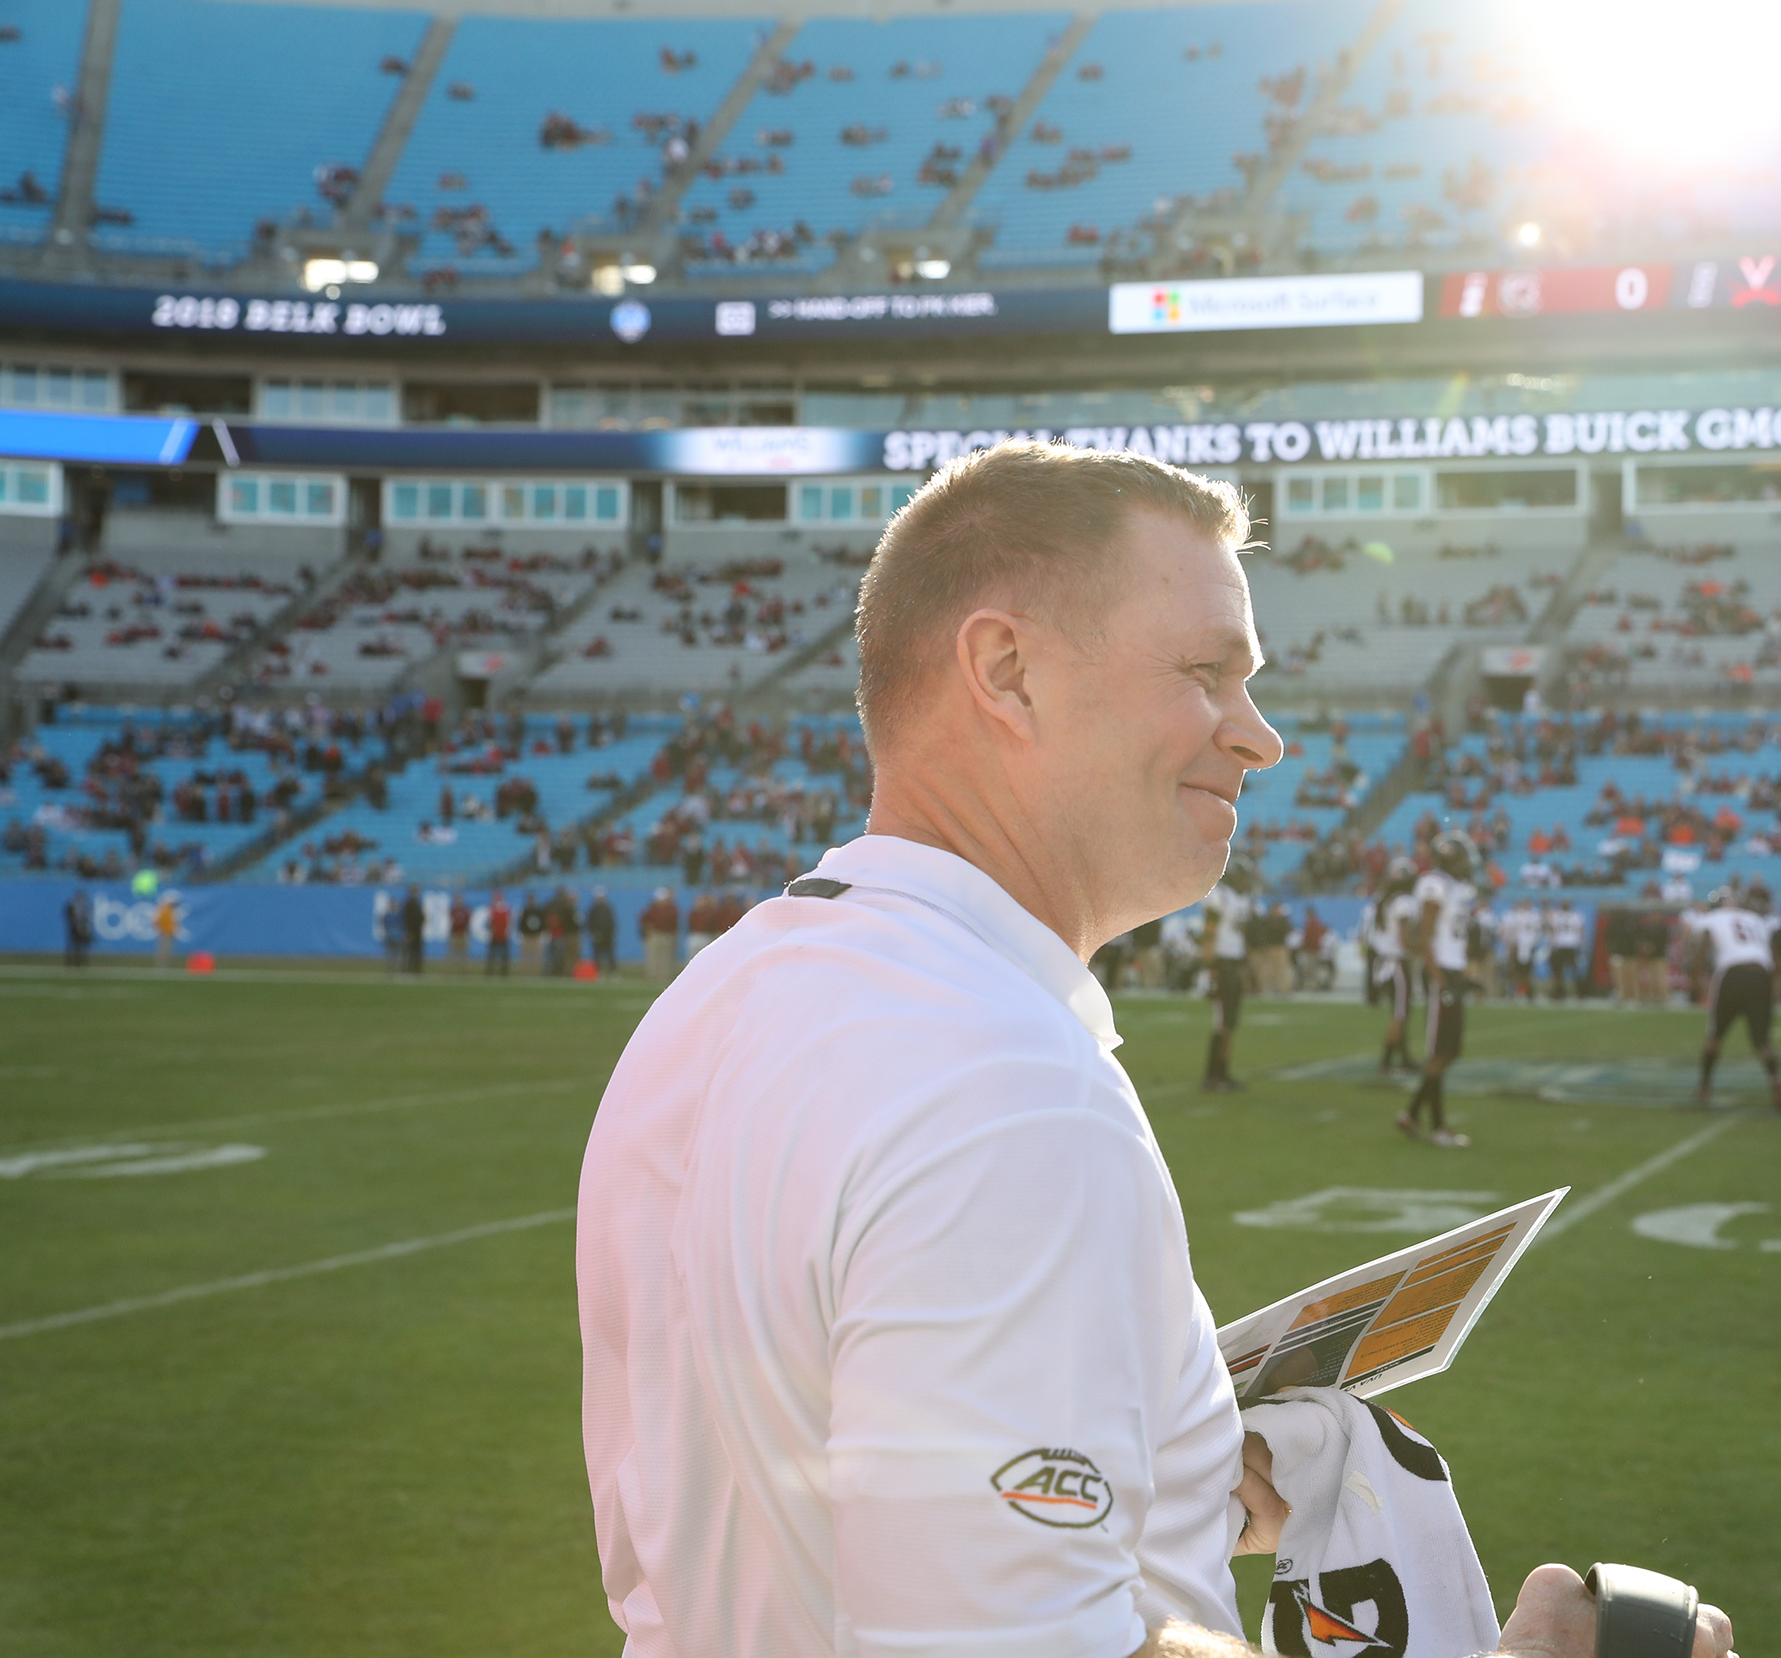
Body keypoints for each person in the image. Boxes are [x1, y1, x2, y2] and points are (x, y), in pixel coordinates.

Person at [574, 443, 1723, 1658]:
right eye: (1206, 673)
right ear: (1007, 671)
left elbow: (825, 1491)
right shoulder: (1006, 1088)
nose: (1259, 736)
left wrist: (1165, 1469)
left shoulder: (723, 994)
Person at [1398, 830, 1480, 1148]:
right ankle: (1438, 1126)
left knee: (1450, 1051)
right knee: (1439, 1053)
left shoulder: (1454, 887)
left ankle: (1412, 1115)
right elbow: (1426, 935)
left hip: (1452, 971)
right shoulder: (1434, 884)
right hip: (1442, 973)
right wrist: (1438, 977)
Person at [1686, 885, 1781, 1110]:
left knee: (1715, 1036)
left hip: (1731, 974)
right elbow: (1772, 954)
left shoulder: (1712, 918)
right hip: (1761, 975)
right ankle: (1777, 1083)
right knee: (1762, 1040)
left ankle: (1704, 1086)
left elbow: (1701, 949)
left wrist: (1694, 980)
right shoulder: (1754, 918)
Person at [1199, 860, 1253, 1092]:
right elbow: (1209, 935)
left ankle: (1223, 1071)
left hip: (1234, 962)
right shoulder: (1220, 897)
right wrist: (1211, 967)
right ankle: (1213, 1075)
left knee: (1230, 1021)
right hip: (1222, 963)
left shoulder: (1241, 900)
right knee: (1221, 1021)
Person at [1367, 857, 1420, 1074]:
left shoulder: (1383, 899)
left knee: (1401, 1012)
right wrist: (1423, 949)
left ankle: (1404, 1056)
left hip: (1384, 961)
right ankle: (1387, 1060)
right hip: (1396, 962)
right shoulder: (1403, 902)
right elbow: (1404, 937)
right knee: (1400, 1014)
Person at [1547, 898, 1584, 1000]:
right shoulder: (1574, 916)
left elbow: (1552, 931)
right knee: (1560, 971)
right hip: (1567, 945)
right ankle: (1565, 992)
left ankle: (1576, 992)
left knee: (1569, 971)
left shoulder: (1557, 916)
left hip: (1566, 945)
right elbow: (1580, 931)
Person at [640, 885, 678, 982]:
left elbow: (674, 923)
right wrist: (647, 932)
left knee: (666, 957)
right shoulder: (651, 909)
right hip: (655, 934)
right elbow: (644, 921)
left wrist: (673, 934)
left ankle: (665, 976)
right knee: (653, 956)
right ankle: (653, 975)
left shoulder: (672, 909)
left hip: (667, 934)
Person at [586, 887, 618, 976]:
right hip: (597, 935)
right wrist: (593, 932)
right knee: (597, 955)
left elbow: (612, 922)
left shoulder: (608, 908)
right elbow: (590, 922)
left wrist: (612, 932)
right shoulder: (593, 909)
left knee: (610, 954)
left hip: (608, 935)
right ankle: (598, 971)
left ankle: (612, 972)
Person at [485, 889, 513, 976]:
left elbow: (509, 923)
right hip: (495, 936)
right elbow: (489, 923)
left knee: (503, 957)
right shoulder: (492, 910)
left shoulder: (505, 910)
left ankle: (502, 973)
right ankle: (490, 972)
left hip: (503, 936)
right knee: (492, 956)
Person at [518, 891, 546, 974]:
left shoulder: (539, 911)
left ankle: (536, 972)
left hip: (536, 936)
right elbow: (521, 924)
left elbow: (543, 923)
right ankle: (526, 972)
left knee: (536, 956)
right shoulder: (525, 911)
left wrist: (542, 934)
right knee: (526, 956)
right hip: (527, 936)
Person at [400, 886, 425, 974]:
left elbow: (420, 918)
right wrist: (408, 931)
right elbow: (407, 919)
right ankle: (406, 970)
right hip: (411, 932)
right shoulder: (408, 904)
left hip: (418, 932)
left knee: (417, 952)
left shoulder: (417, 903)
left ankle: (416, 970)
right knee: (409, 951)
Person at [62, 890, 90, 968]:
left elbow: (86, 918)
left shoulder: (83, 907)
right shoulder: (72, 906)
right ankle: (69, 962)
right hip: (73, 928)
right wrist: (74, 922)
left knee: (80, 946)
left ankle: (79, 962)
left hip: (81, 928)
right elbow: (68, 915)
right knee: (71, 945)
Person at [446, 891, 471, 973]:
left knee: (463, 955)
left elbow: (468, 923)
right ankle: (452, 971)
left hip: (462, 934)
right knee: (452, 954)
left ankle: (463, 971)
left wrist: (467, 934)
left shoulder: (465, 911)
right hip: (454, 934)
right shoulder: (452, 911)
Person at [154, 892, 179, 969]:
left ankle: (165, 965)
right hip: (166, 933)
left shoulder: (169, 911)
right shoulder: (165, 911)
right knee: (164, 950)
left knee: (167, 950)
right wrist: (164, 929)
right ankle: (162, 966)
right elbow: (158, 921)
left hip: (168, 932)